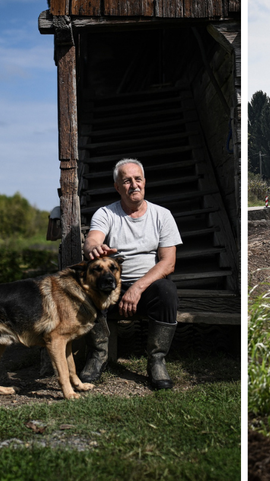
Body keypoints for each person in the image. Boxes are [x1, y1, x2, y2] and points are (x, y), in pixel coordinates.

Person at [79, 158, 182, 390]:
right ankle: (98, 355)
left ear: (144, 182)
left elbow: (168, 263)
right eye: (126, 181)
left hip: (146, 289)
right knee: (87, 289)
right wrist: (93, 248)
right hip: (111, 287)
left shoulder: (162, 215)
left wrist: (136, 289)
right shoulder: (106, 213)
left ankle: (156, 361)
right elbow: (93, 240)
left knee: (167, 290)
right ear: (118, 187)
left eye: (138, 179)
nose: (133, 185)